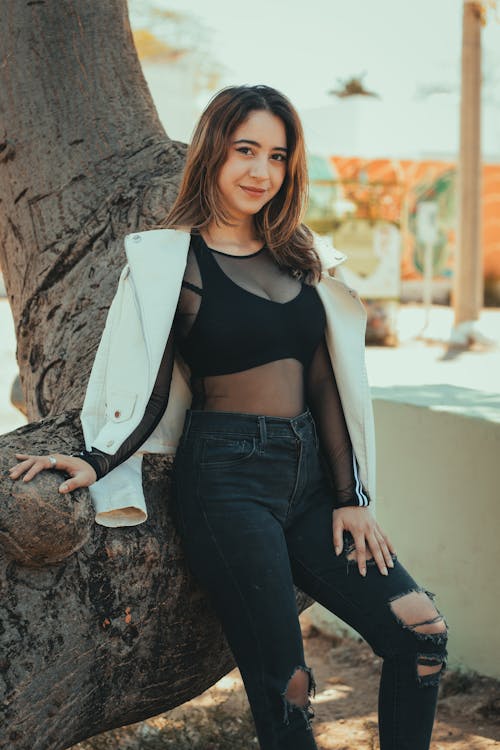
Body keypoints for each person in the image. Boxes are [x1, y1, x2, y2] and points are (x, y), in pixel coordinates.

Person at [9, 84, 448, 750]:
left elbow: (326, 381)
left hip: (310, 487)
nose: (260, 171)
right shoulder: (171, 265)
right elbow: (148, 390)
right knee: (288, 686)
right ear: (214, 151)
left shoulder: (300, 256)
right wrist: (95, 459)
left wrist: (351, 498)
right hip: (227, 484)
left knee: (419, 631)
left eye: (277, 156)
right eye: (246, 150)